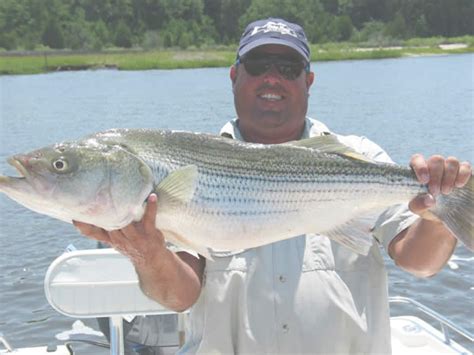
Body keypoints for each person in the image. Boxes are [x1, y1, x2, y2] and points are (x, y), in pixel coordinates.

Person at [74, 18, 472, 354]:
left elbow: (420, 261)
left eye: (288, 68)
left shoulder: (358, 156)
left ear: (309, 81)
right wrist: (146, 252)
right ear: (234, 75)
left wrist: (439, 213)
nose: (272, 78)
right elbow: (179, 295)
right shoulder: (183, 166)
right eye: (259, 63)